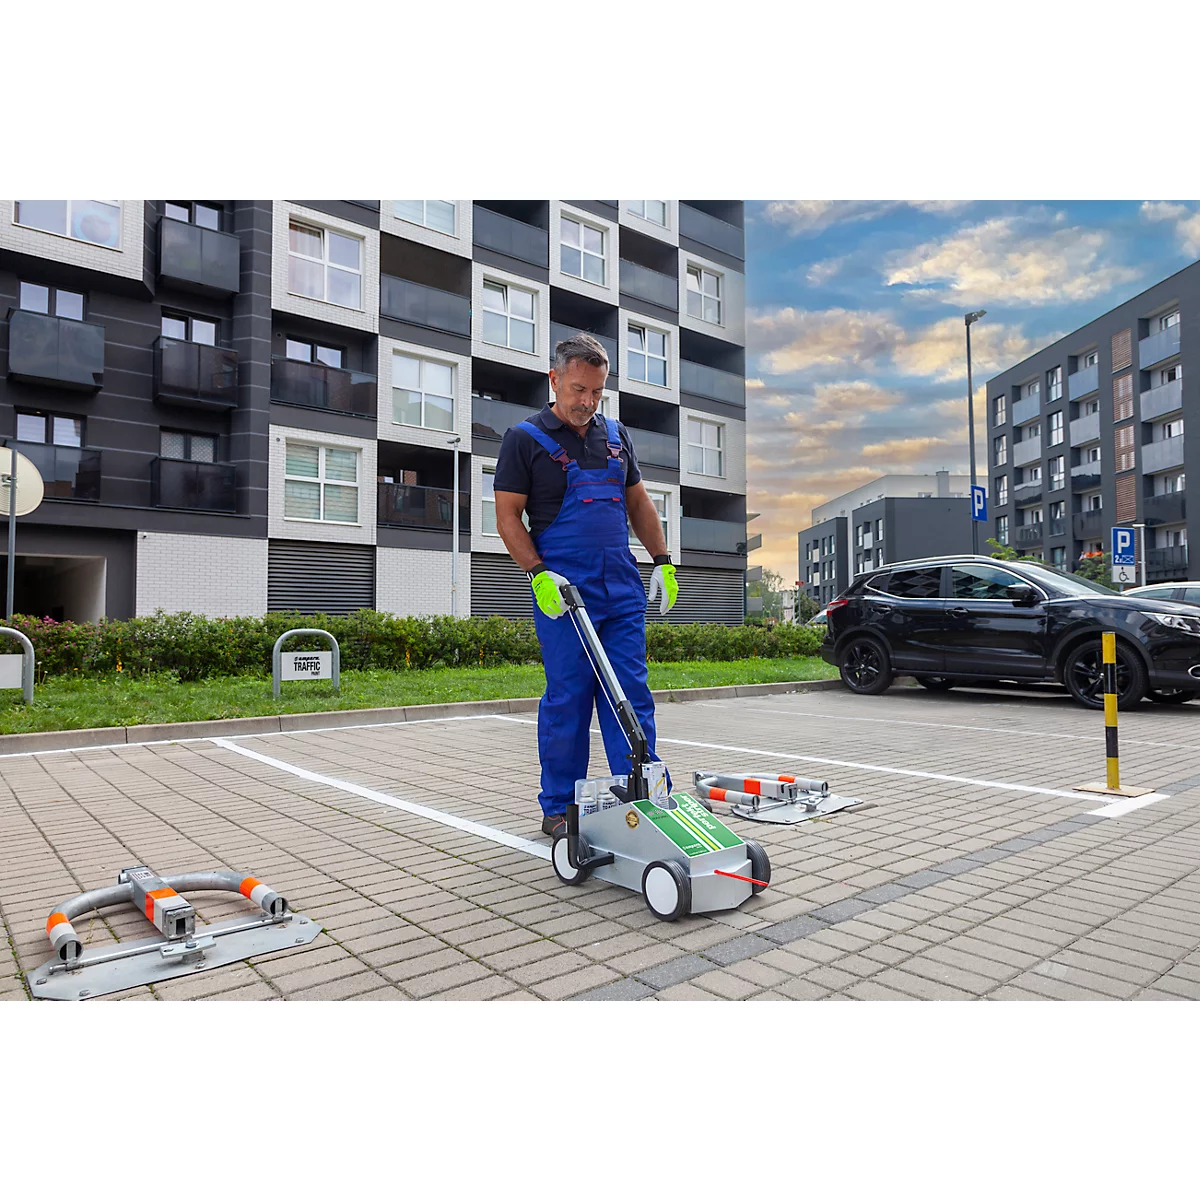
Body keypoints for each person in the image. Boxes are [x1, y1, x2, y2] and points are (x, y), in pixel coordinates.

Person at [492, 333, 679, 836]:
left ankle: (642, 797)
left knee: (630, 694)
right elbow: (507, 516)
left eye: (597, 392)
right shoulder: (524, 439)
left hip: (619, 586)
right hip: (564, 591)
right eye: (578, 390)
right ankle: (558, 808)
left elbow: (639, 503)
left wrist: (662, 560)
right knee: (569, 697)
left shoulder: (616, 435)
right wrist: (536, 573)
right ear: (554, 380)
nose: (587, 402)